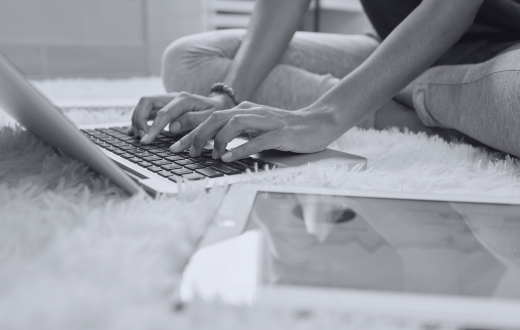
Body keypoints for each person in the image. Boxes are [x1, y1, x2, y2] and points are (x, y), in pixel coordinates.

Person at [127, 0, 520, 162]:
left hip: (504, 55)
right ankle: (431, 108)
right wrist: (226, 96)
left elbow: (452, 7)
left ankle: (404, 89)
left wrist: (327, 115)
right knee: (190, 60)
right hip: (395, 45)